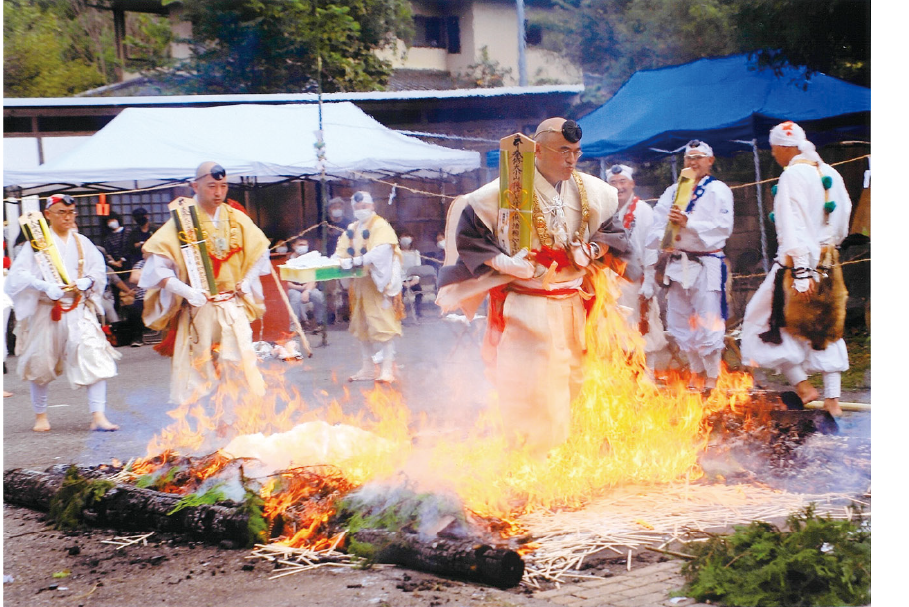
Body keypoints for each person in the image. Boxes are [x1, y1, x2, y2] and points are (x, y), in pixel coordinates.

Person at [437, 117, 620, 456]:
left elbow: (613, 233)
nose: (571, 160)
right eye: (563, 151)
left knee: (574, 378)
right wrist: (500, 262)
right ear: (538, 150)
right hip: (528, 302)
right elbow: (470, 236)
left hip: (573, 301)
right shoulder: (501, 191)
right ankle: (533, 456)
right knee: (535, 380)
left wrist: (592, 250)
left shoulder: (594, 191)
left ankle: (566, 451)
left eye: (577, 153)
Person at [740, 122, 852, 416]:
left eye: (774, 148)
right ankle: (832, 400)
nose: (774, 154)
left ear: (783, 147)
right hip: (828, 260)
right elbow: (842, 221)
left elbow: (791, 226)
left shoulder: (791, 174)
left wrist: (802, 272)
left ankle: (803, 386)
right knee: (825, 327)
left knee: (762, 321)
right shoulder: (831, 173)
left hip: (796, 263)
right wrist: (828, 250)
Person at [138, 162, 271, 405]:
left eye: (223, 186)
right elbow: (156, 269)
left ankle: (234, 420)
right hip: (200, 307)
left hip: (232, 304)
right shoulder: (182, 223)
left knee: (237, 362)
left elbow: (261, 251)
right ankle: (202, 423)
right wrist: (186, 291)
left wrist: (247, 280)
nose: (218, 192)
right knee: (199, 367)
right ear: (195, 186)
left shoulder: (236, 218)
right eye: (212, 186)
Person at [4, 194, 121, 431]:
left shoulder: (82, 242)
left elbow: (98, 270)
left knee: (93, 356)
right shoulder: (35, 245)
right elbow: (17, 276)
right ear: (48, 214)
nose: (67, 218)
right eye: (61, 213)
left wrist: (87, 282)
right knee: (40, 363)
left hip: (77, 308)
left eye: (71, 213)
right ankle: (41, 417)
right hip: (47, 309)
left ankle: (98, 415)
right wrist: (44, 285)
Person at [646, 140, 734, 391]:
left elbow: (723, 228)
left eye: (698, 157)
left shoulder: (719, 190)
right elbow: (656, 224)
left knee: (708, 319)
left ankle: (713, 376)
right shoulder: (674, 191)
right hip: (677, 262)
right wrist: (666, 237)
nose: (693, 163)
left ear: (710, 160)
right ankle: (695, 371)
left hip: (706, 262)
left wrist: (689, 223)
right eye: (689, 158)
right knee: (680, 320)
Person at [334, 191, 404, 383]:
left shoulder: (381, 226)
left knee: (383, 325)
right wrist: (335, 263)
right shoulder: (352, 228)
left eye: (364, 206)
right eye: (356, 208)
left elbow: (381, 252)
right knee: (361, 326)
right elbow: (341, 251)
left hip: (376, 284)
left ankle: (387, 369)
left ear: (372, 206)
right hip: (358, 285)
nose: (360, 210)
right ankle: (367, 368)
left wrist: (358, 260)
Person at [605, 164, 667, 364]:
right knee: (614, 331)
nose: (618, 187)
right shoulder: (605, 210)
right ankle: (620, 379)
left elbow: (651, 248)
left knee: (643, 329)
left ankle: (646, 377)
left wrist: (649, 281)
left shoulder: (643, 211)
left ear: (632, 184)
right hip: (610, 281)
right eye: (613, 183)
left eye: (622, 182)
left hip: (636, 280)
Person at [285, 236, 327, 331]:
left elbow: (314, 279)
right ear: (293, 246)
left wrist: (307, 291)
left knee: (318, 295)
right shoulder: (287, 259)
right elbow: (284, 281)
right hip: (292, 288)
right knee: (295, 296)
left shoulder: (310, 259)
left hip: (307, 287)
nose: (303, 247)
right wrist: (299, 288)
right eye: (300, 245)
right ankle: (295, 326)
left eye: (305, 245)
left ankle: (320, 323)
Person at [398, 231, 424, 318]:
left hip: (413, 279)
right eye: (404, 236)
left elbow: (417, 266)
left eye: (408, 236)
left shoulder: (415, 252)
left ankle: (417, 312)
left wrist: (415, 279)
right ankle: (400, 313)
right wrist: (402, 282)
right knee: (399, 295)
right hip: (401, 280)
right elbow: (396, 268)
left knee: (419, 293)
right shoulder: (397, 253)